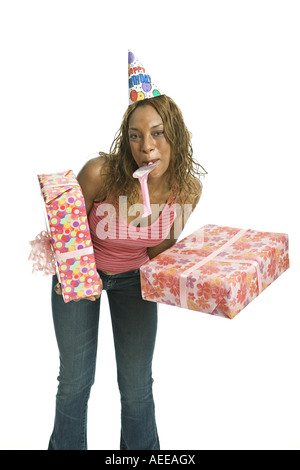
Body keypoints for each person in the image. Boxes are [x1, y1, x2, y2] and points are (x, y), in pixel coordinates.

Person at [48, 52, 206, 450]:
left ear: (176, 136)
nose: (145, 146)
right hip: (82, 273)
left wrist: (192, 266)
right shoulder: (99, 173)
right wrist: (70, 278)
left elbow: (158, 253)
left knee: (137, 384)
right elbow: (66, 234)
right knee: (75, 381)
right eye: (135, 135)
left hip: (135, 278)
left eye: (157, 133)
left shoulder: (186, 190)